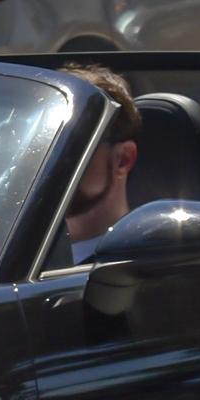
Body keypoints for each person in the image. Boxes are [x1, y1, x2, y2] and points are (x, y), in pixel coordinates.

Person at [61, 62, 141, 258]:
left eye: (74, 145)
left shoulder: (140, 265)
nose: (54, 159)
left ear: (123, 159)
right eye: (42, 144)